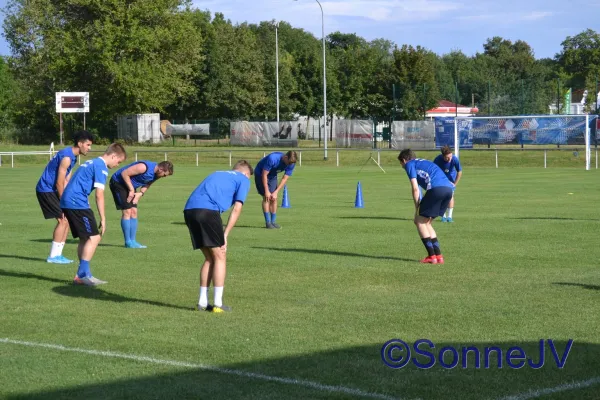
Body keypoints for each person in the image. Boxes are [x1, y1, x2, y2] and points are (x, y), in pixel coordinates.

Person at [183, 160, 253, 313]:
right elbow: (237, 209)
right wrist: (225, 234)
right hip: (207, 211)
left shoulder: (217, 173)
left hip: (189, 211)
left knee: (210, 258)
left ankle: (202, 303)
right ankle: (218, 304)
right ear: (246, 174)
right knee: (221, 255)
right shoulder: (243, 179)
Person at [60, 143, 127, 286]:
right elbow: (99, 195)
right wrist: (103, 218)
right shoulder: (101, 166)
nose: (117, 164)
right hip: (76, 202)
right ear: (113, 156)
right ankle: (82, 275)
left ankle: (83, 275)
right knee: (95, 237)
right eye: (118, 161)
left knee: (85, 238)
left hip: (69, 200)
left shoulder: (91, 162)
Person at [36, 130, 94, 264]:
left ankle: (58, 255)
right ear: (80, 144)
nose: (89, 148)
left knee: (67, 219)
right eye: (88, 145)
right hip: (46, 190)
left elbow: (66, 179)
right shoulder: (67, 157)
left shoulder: (72, 156)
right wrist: (65, 200)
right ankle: (53, 256)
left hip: (53, 189)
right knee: (62, 220)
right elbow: (59, 182)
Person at [398, 149, 454, 264]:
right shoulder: (422, 162)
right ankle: (438, 256)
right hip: (448, 191)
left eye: (401, 163)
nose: (402, 166)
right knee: (427, 222)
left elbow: (415, 188)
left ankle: (431, 256)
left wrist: (417, 207)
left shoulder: (409, 164)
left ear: (404, 160)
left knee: (419, 221)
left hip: (436, 190)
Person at [109, 160, 174, 248]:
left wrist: (140, 193)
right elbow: (124, 173)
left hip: (129, 186)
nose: (164, 177)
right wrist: (132, 190)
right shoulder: (143, 167)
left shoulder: (157, 174)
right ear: (161, 169)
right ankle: (128, 242)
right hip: (118, 183)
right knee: (127, 212)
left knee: (134, 212)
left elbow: (148, 183)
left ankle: (133, 241)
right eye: (165, 174)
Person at [254, 151, 297, 229]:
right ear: (285, 157)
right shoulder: (273, 158)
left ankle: (273, 222)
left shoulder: (291, 163)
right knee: (266, 197)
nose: (289, 165)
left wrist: (276, 192)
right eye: (288, 163)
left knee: (274, 198)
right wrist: (266, 191)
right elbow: (264, 174)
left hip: (272, 175)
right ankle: (268, 222)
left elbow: (285, 178)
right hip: (260, 174)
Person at [433, 145, 462, 222]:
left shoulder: (455, 159)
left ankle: (449, 217)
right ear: (443, 156)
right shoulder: (437, 159)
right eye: (447, 157)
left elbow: (459, 171)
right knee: (441, 197)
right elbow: (433, 171)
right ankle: (443, 216)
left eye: (450, 156)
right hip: (440, 180)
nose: (449, 159)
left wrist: (455, 184)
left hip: (451, 180)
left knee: (450, 196)